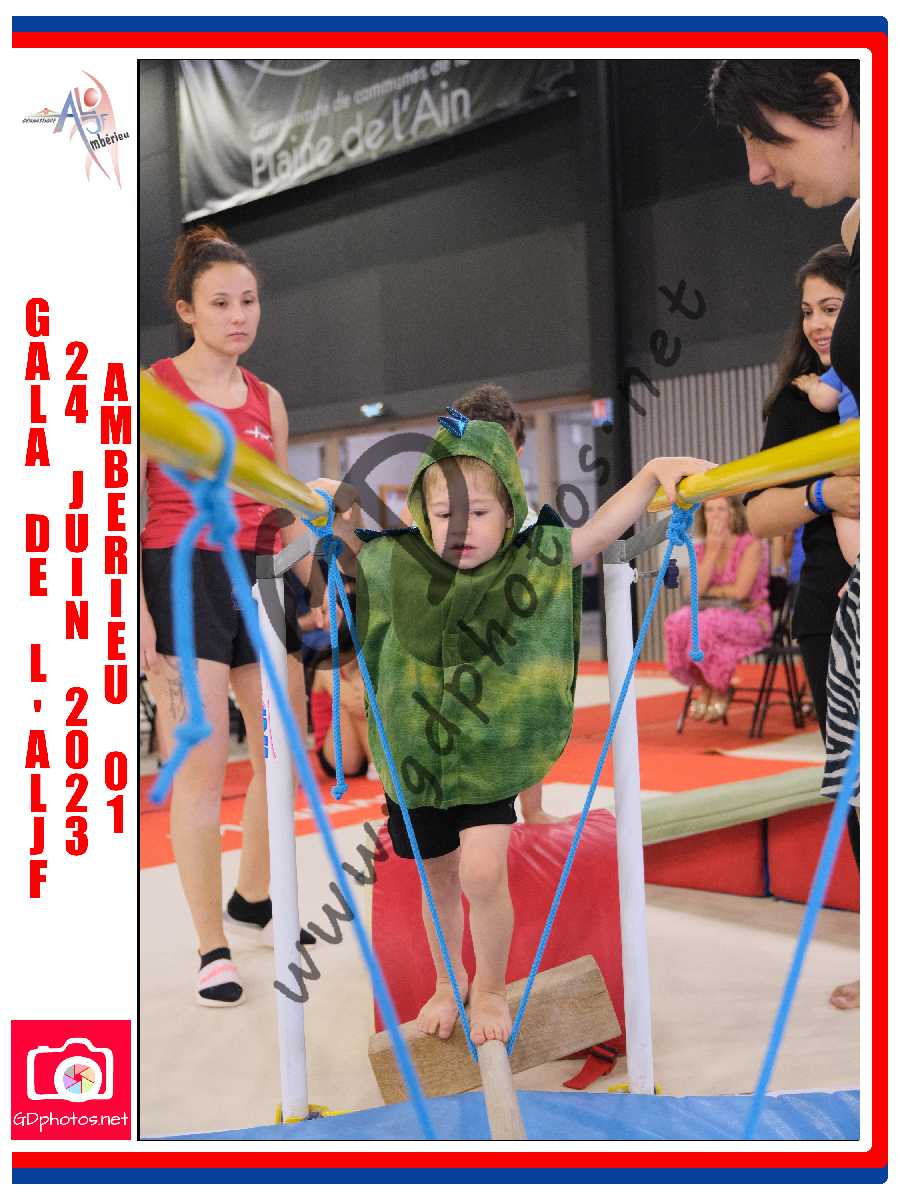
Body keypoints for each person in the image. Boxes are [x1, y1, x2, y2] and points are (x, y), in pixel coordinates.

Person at [316, 415, 712, 1044]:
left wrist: (649, 475)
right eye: (443, 514)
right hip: (416, 761)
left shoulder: (529, 562)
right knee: (438, 880)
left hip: (488, 755)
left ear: (509, 515)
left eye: (479, 513)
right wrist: (329, 501)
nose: (460, 529)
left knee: (481, 873)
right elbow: (347, 533)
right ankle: (449, 979)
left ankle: (491, 987)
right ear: (422, 515)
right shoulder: (397, 561)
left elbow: (594, 532)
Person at [709, 60, 861, 1009]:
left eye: (766, 141)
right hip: (836, 594)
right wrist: (817, 489)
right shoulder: (858, 232)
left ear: (834, 99)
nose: (759, 172)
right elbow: (756, 509)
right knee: (854, 784)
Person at [140, 225, 319, 1007]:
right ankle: (212, 945)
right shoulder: (149, 392)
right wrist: (135, 617)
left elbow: (283, 508)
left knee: (287, 751)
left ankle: (254, 897)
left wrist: (327, 581)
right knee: (203, 761)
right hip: (181, 575)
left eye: (248, 301)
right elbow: (117, 506)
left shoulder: (266, 400)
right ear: (186, 309)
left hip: (259, 574)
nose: (239, 315)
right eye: (220, 303)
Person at [664, 496, 771, 722]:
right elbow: (692, 592)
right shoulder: (702, 549)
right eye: (709, 510)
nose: (715, 516)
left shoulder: (750, 544)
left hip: (750, 616)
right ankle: (705, 685)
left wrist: (711, 592)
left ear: (733, 513)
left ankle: (719, 688)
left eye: (721, 509)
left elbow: (740, 592)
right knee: (677, 622)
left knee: (706, 623)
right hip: (712, 612)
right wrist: (712, 552)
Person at [792, 366, 859, 566]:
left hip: (853, 444)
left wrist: (812, 386)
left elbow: (824, 399)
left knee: (845, 510)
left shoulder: (844, 361)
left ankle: (860, 565)